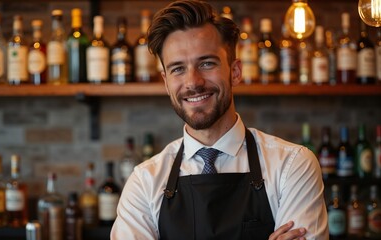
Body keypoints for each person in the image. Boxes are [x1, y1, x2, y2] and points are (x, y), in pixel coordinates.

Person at [111, 0, 328, 239]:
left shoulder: (292, 166)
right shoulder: (144, 182)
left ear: (235, 71)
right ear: (165, 81)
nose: (193, 82)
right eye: (178, 69)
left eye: (206, 63)